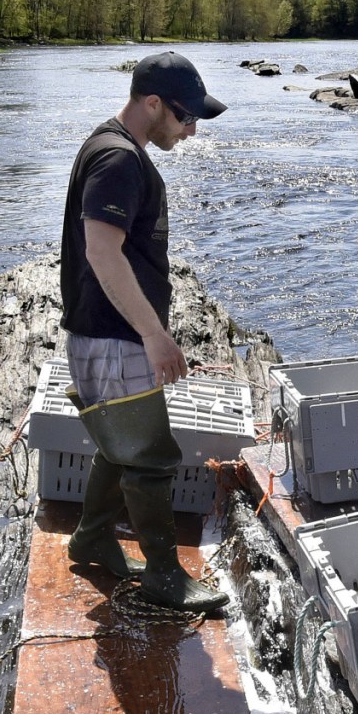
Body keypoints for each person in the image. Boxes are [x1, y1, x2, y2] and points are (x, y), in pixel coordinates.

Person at [60, 51, 229, 613]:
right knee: (150, 456)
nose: (192, 129)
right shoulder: (118, 160)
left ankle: (92, 539)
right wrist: (154, 335)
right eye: (184, 117)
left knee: (118, 445)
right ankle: (163, 576)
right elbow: (102, 252)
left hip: (105, 334)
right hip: (113, 337)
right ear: (151, 103)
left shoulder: (113, 147)